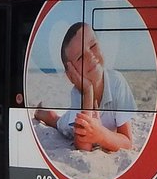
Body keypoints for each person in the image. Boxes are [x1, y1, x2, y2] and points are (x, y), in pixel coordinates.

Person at [33, 22, 136, 152]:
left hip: (104, 131)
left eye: (93, 46)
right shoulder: (78, 92)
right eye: (80, 57)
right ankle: (41, 112)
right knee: (58, 122)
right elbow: (83, 147)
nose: (90, 56)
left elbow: (127, 142)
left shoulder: (117, 82)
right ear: (71, 75)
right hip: (72, 127)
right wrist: (87, 91)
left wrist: (100, 134)